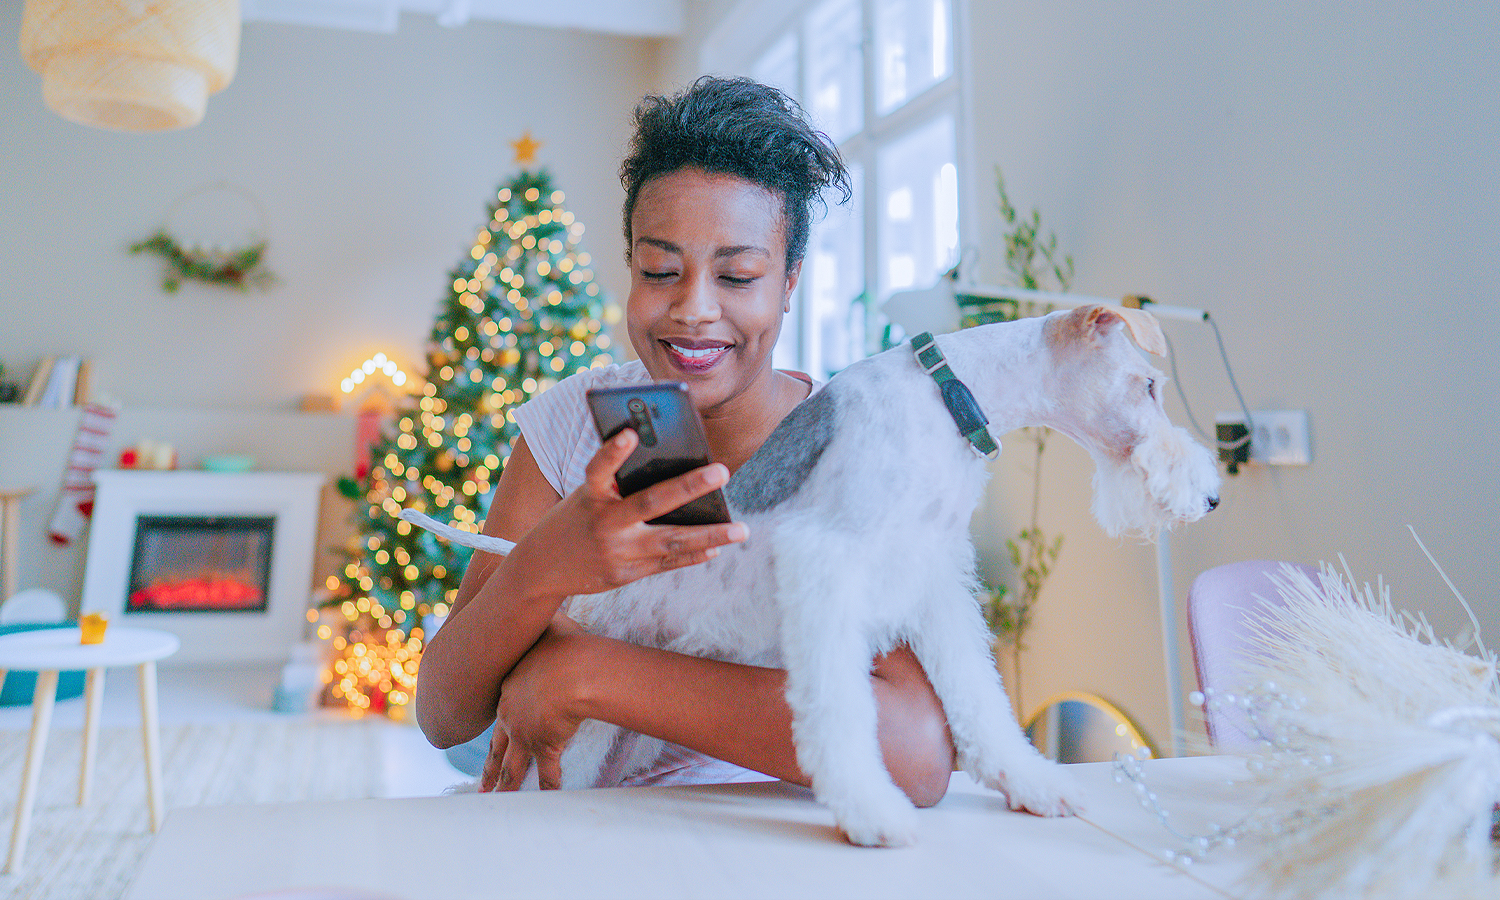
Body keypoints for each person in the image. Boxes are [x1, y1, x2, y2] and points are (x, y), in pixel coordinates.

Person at [415, 75, 955, 806]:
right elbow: (445, 715)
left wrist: (585, 677)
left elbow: (916, 755)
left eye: (738, 275)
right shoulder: (575, 422)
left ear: (790, 280)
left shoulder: (849, 450)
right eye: (659, 270)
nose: (694, 310)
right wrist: (542, 567)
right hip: (557, 842)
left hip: (751, 847)